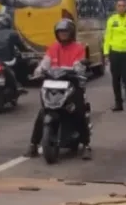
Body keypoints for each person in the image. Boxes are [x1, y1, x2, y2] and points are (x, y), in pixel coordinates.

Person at [25, 18, 92, 160]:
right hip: (53, 84)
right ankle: (33, 145)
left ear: (71, 33)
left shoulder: (78, 47)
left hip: (72, 84)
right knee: (43, 113)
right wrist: (38, 71)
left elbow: (79, 64)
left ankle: (86, 145)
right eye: (60, 32)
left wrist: (78, 68)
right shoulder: (53, 47)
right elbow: (45, 62)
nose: (63, 34)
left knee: (78, 112)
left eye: (65, 32)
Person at [0, 13, 29, 86]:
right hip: (9, 61)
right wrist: (24, 51)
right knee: (20, 63)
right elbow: (21, 47)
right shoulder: (13, 33)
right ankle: (17, 83)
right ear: (8, 22)